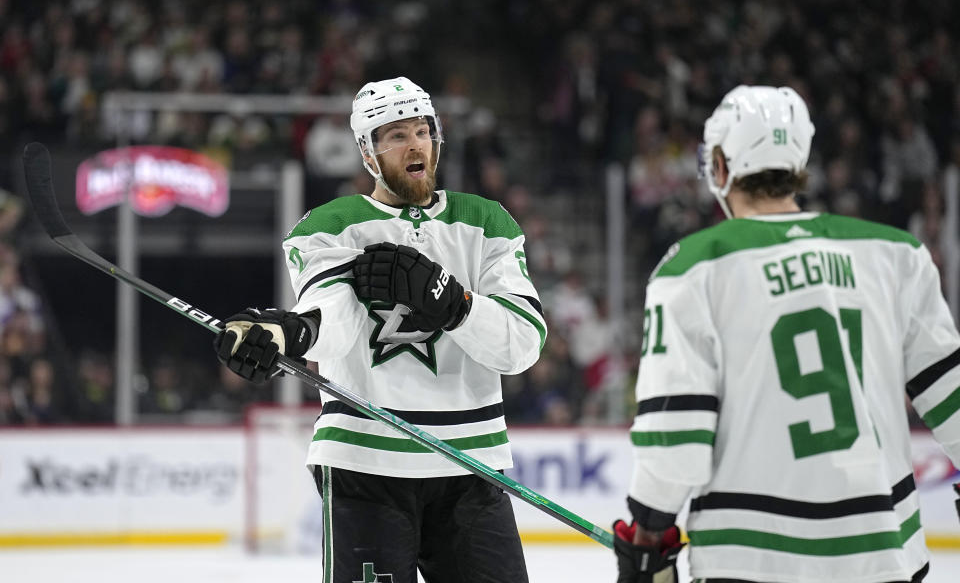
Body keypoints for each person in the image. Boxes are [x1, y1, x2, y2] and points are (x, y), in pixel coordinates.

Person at [613, 85, 960, 583]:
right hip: (884, 553)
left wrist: (648, 532)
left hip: (749, 557)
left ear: (721, 166)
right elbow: (951, 395)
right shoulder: (895, 254)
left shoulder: (694, 267)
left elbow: (677, 436)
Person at [215, 76, 546, 582]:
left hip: (470, 466)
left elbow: (522, 345)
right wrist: (287, 336)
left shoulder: (486, 222)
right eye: (395, 135)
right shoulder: (330, 226)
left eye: (422, 131)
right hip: (365, 466)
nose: (414, 144)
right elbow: (335, 316)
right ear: (369, 154)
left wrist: (451, 303)